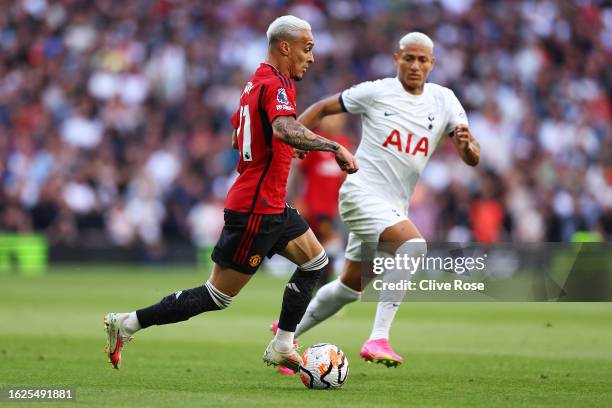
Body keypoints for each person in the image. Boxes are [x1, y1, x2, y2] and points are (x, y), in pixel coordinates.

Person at [103, 15, 358, 373]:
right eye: (307, 48)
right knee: (217, 295)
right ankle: (128, 322)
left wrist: (286, 147)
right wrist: (331, 146)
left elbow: (240, 137)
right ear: (285, 47)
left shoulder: (253, 84)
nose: (311, 57)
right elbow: (283, 128)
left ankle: (283, 344)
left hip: (269, 203)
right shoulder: (278, 85)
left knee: (315, 262)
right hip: (257, 208)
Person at [286, 32, 480, 367]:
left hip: (392, 207)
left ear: (432, 63)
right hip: (360, 194)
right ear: (396, 59)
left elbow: (473, 157)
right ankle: (378, 339)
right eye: (409, 58)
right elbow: (321, 107)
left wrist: (466, 148)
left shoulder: (445, 101)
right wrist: (293, 138)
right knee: (414, 246)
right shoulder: (376, 91)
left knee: (349, 288)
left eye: (422, 60)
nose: (415, 65)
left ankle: (284, 337)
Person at [290, 114, 353, 287]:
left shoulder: (343, 143)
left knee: (318, 250)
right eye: (331, 118)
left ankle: (312, 289)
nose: (335, 121)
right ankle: (322, 289)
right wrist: (297, 198)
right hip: (313, 206)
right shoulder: (314, 141)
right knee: (330, 243)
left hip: (331, 207)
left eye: (338, 118)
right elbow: (298, 172)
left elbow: (345, 176)